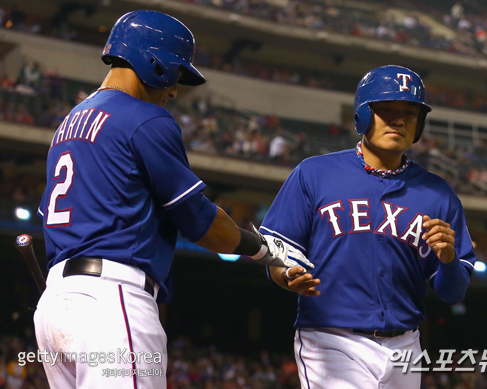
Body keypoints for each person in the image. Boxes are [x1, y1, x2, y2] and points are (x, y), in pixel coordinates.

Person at [33, 10, 312, 389]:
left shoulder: (68, 124)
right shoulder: (145, 117)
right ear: (154, 63)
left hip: (55, 306)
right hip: (112, 301)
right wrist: (263, 248)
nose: (175, 89)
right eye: (176, 74)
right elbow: (203, 223)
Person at [261, 65, 476, 389]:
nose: (399, 120)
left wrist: (447, 261)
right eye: (386, 110)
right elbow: (277, 250)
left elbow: (453, 292)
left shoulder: (438, 193)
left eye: (409, 112)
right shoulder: (315, 173)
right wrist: (286, 275)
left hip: (406, 346)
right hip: (331, 338)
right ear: (362, 114)